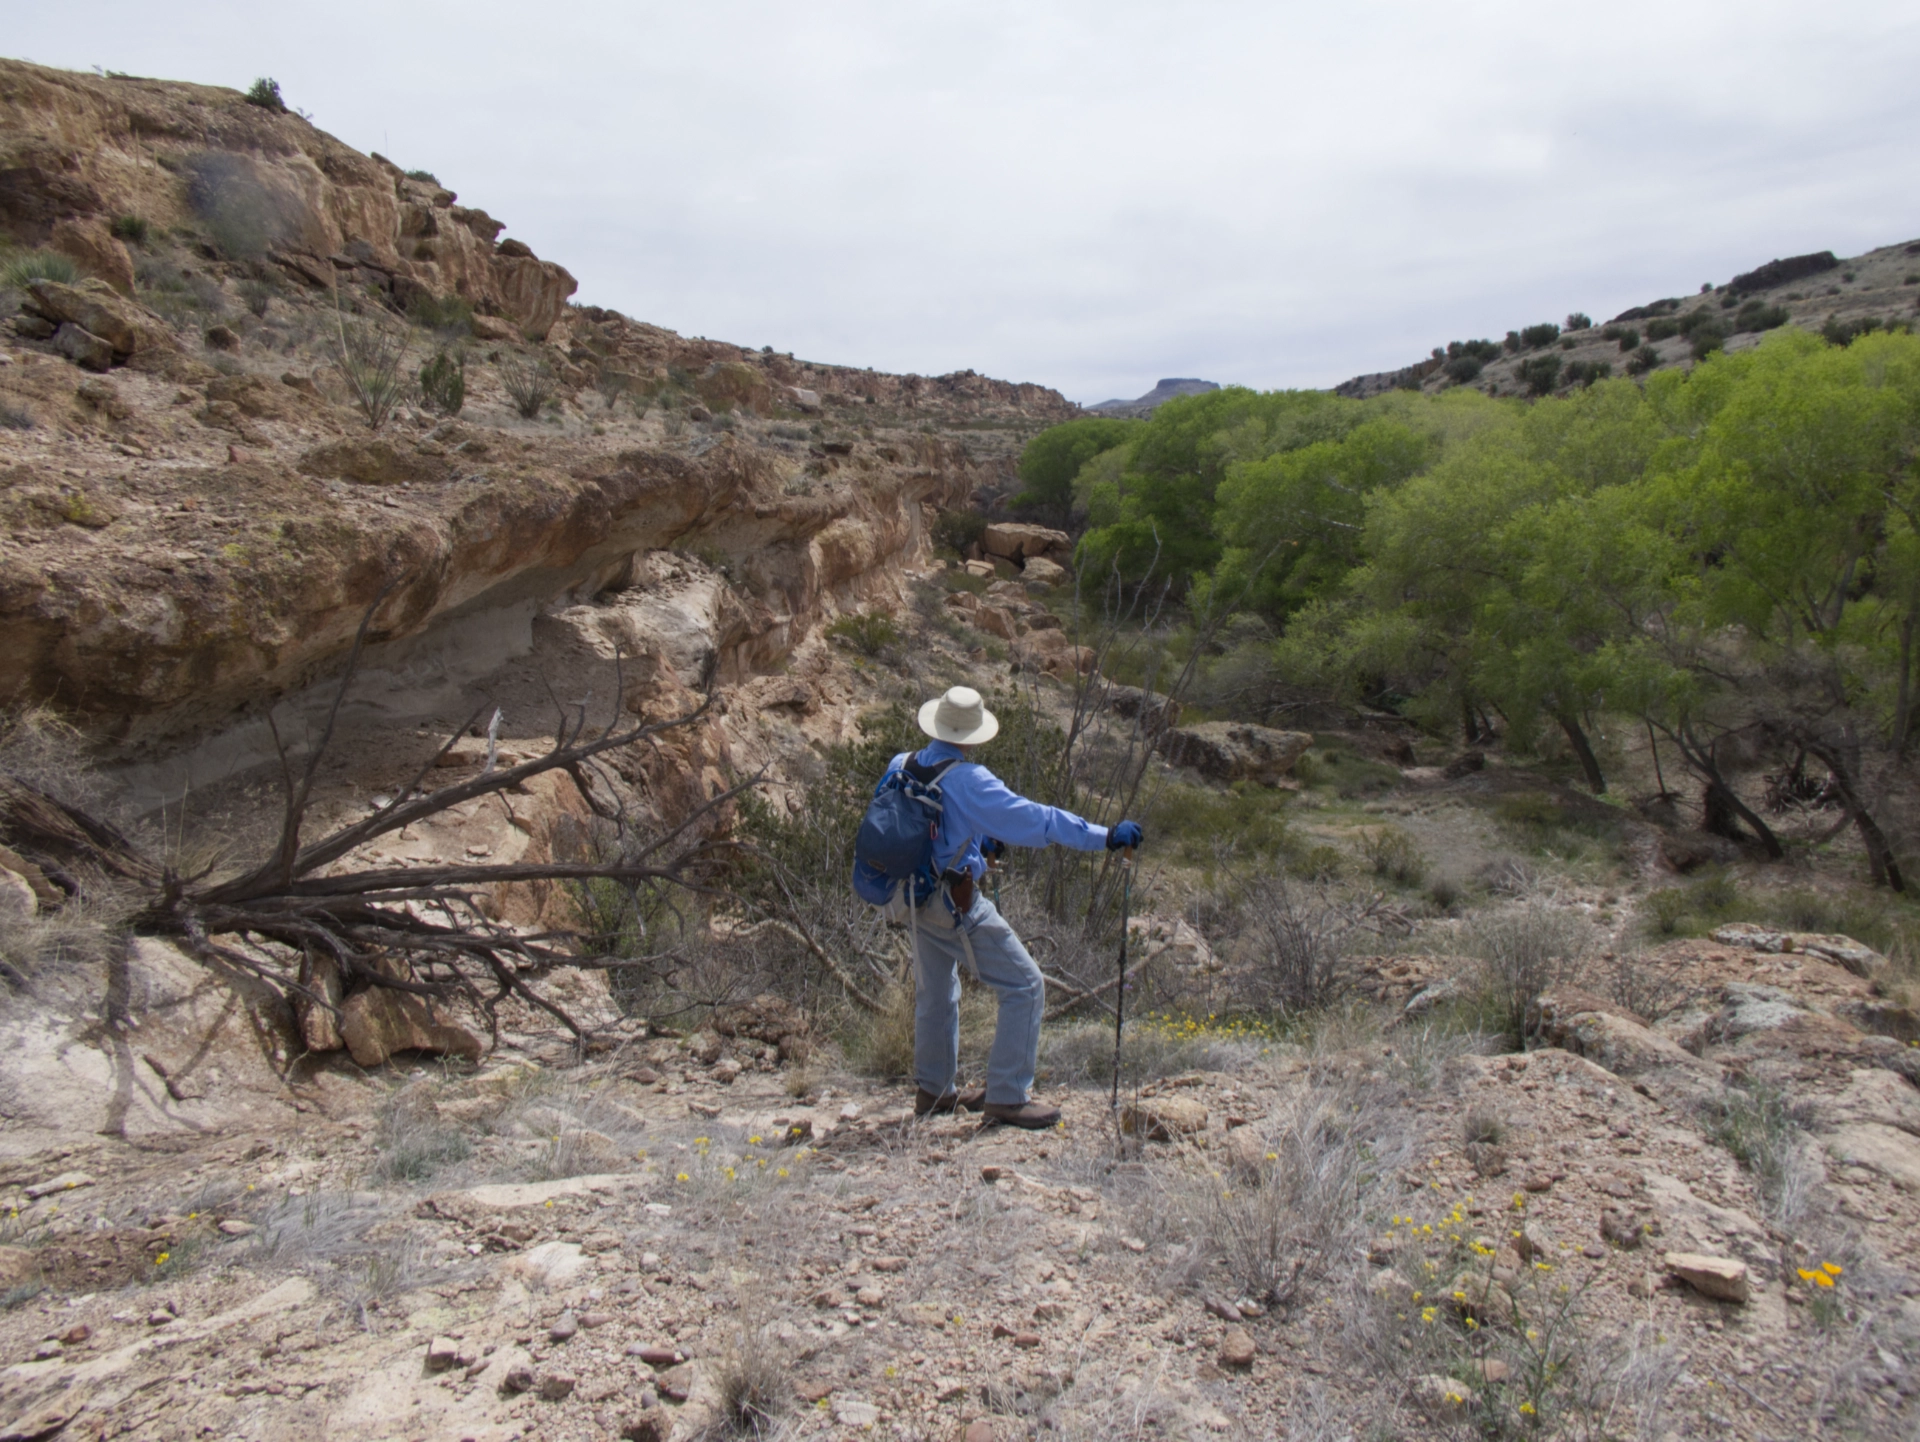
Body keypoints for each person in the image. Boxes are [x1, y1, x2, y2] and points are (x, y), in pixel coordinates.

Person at [875, 686, 1143, 1129]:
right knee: (1025, 984)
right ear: (974, 734)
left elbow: (921, 826)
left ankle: (934, 1091)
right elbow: (1037, 820)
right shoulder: (969, 779)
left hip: (908, 898)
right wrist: (1105, 835)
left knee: (937, 993)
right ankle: (1008, 1096)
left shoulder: (901, 763)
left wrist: (975, 839)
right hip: (952, 902)